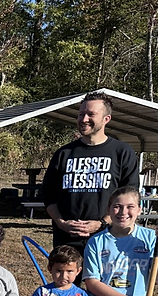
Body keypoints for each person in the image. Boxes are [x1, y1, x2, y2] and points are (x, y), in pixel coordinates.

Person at [41, 91, 139, 255]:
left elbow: (130, 199)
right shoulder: (64, 153)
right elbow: (48, 196)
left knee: (104, 282)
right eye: (81, 114)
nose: (84, 119)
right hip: (67, 240)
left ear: (106, 119)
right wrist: (61, 222)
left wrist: (102, 223)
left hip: (108, 237)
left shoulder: (122, 152)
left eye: (90, 114)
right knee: (67, 282)